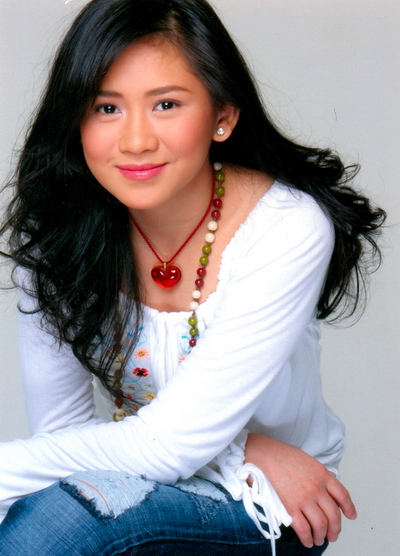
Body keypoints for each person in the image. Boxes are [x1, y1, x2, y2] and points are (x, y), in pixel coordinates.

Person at [0, 0, 385, 554]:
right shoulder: (56, 233)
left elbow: (170, 447)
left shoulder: (285, 227)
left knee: (67, 519)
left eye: (166, 104)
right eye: (106, 108)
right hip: (139, 478)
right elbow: (62, 437)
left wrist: (213, 454)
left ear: (222, 115)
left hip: (267, 502)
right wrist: (243, 448)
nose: (135, 140)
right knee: (50, 510)